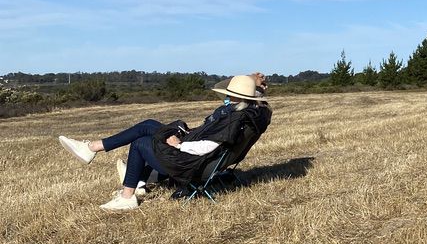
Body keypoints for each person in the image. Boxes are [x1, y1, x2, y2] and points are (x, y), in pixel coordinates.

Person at [57, 73, 272, 212]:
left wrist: (178, 144)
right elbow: (249, 99)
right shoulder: (251, 113)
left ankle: (127, 193)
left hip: (192, 162)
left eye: (229, 94)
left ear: (237, 97)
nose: (225, 96)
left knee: (141, 142)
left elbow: (210, 145)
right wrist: (254, 83)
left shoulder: (235, 119)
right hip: (200, 155)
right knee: (148, 125)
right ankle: (129, 174)